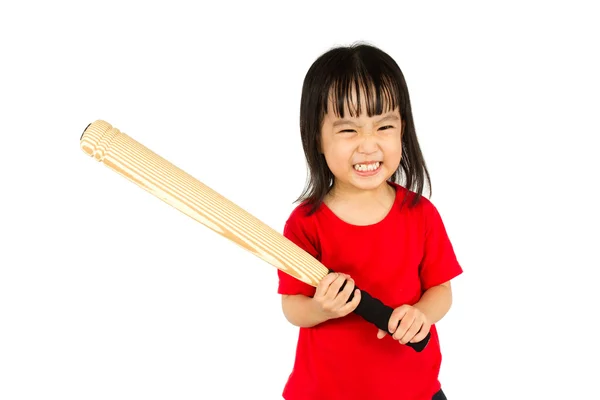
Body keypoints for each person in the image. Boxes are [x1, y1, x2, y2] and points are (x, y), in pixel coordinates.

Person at [276, 42, 463, 400]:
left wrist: (421, 313)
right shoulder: (305, 223)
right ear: (316, 136)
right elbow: (293, 308)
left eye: (384, 127)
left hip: (414, 391)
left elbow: (441, 291)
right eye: (348, 130)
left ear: (402, 129)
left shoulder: (421, 214)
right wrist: (321, 307)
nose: (368, 145)